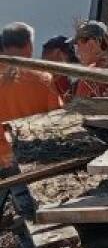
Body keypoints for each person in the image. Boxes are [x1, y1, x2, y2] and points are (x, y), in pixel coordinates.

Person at [0, 23, 63, 170]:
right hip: (35, 158)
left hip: (4, 159)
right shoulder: (43, 78)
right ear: (29, 44)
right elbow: (58, 119)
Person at [72, 21, 108, 98]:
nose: (77, 52)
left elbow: (78, 108)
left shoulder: (89, 75)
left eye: (78, 45)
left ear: (91, 45)